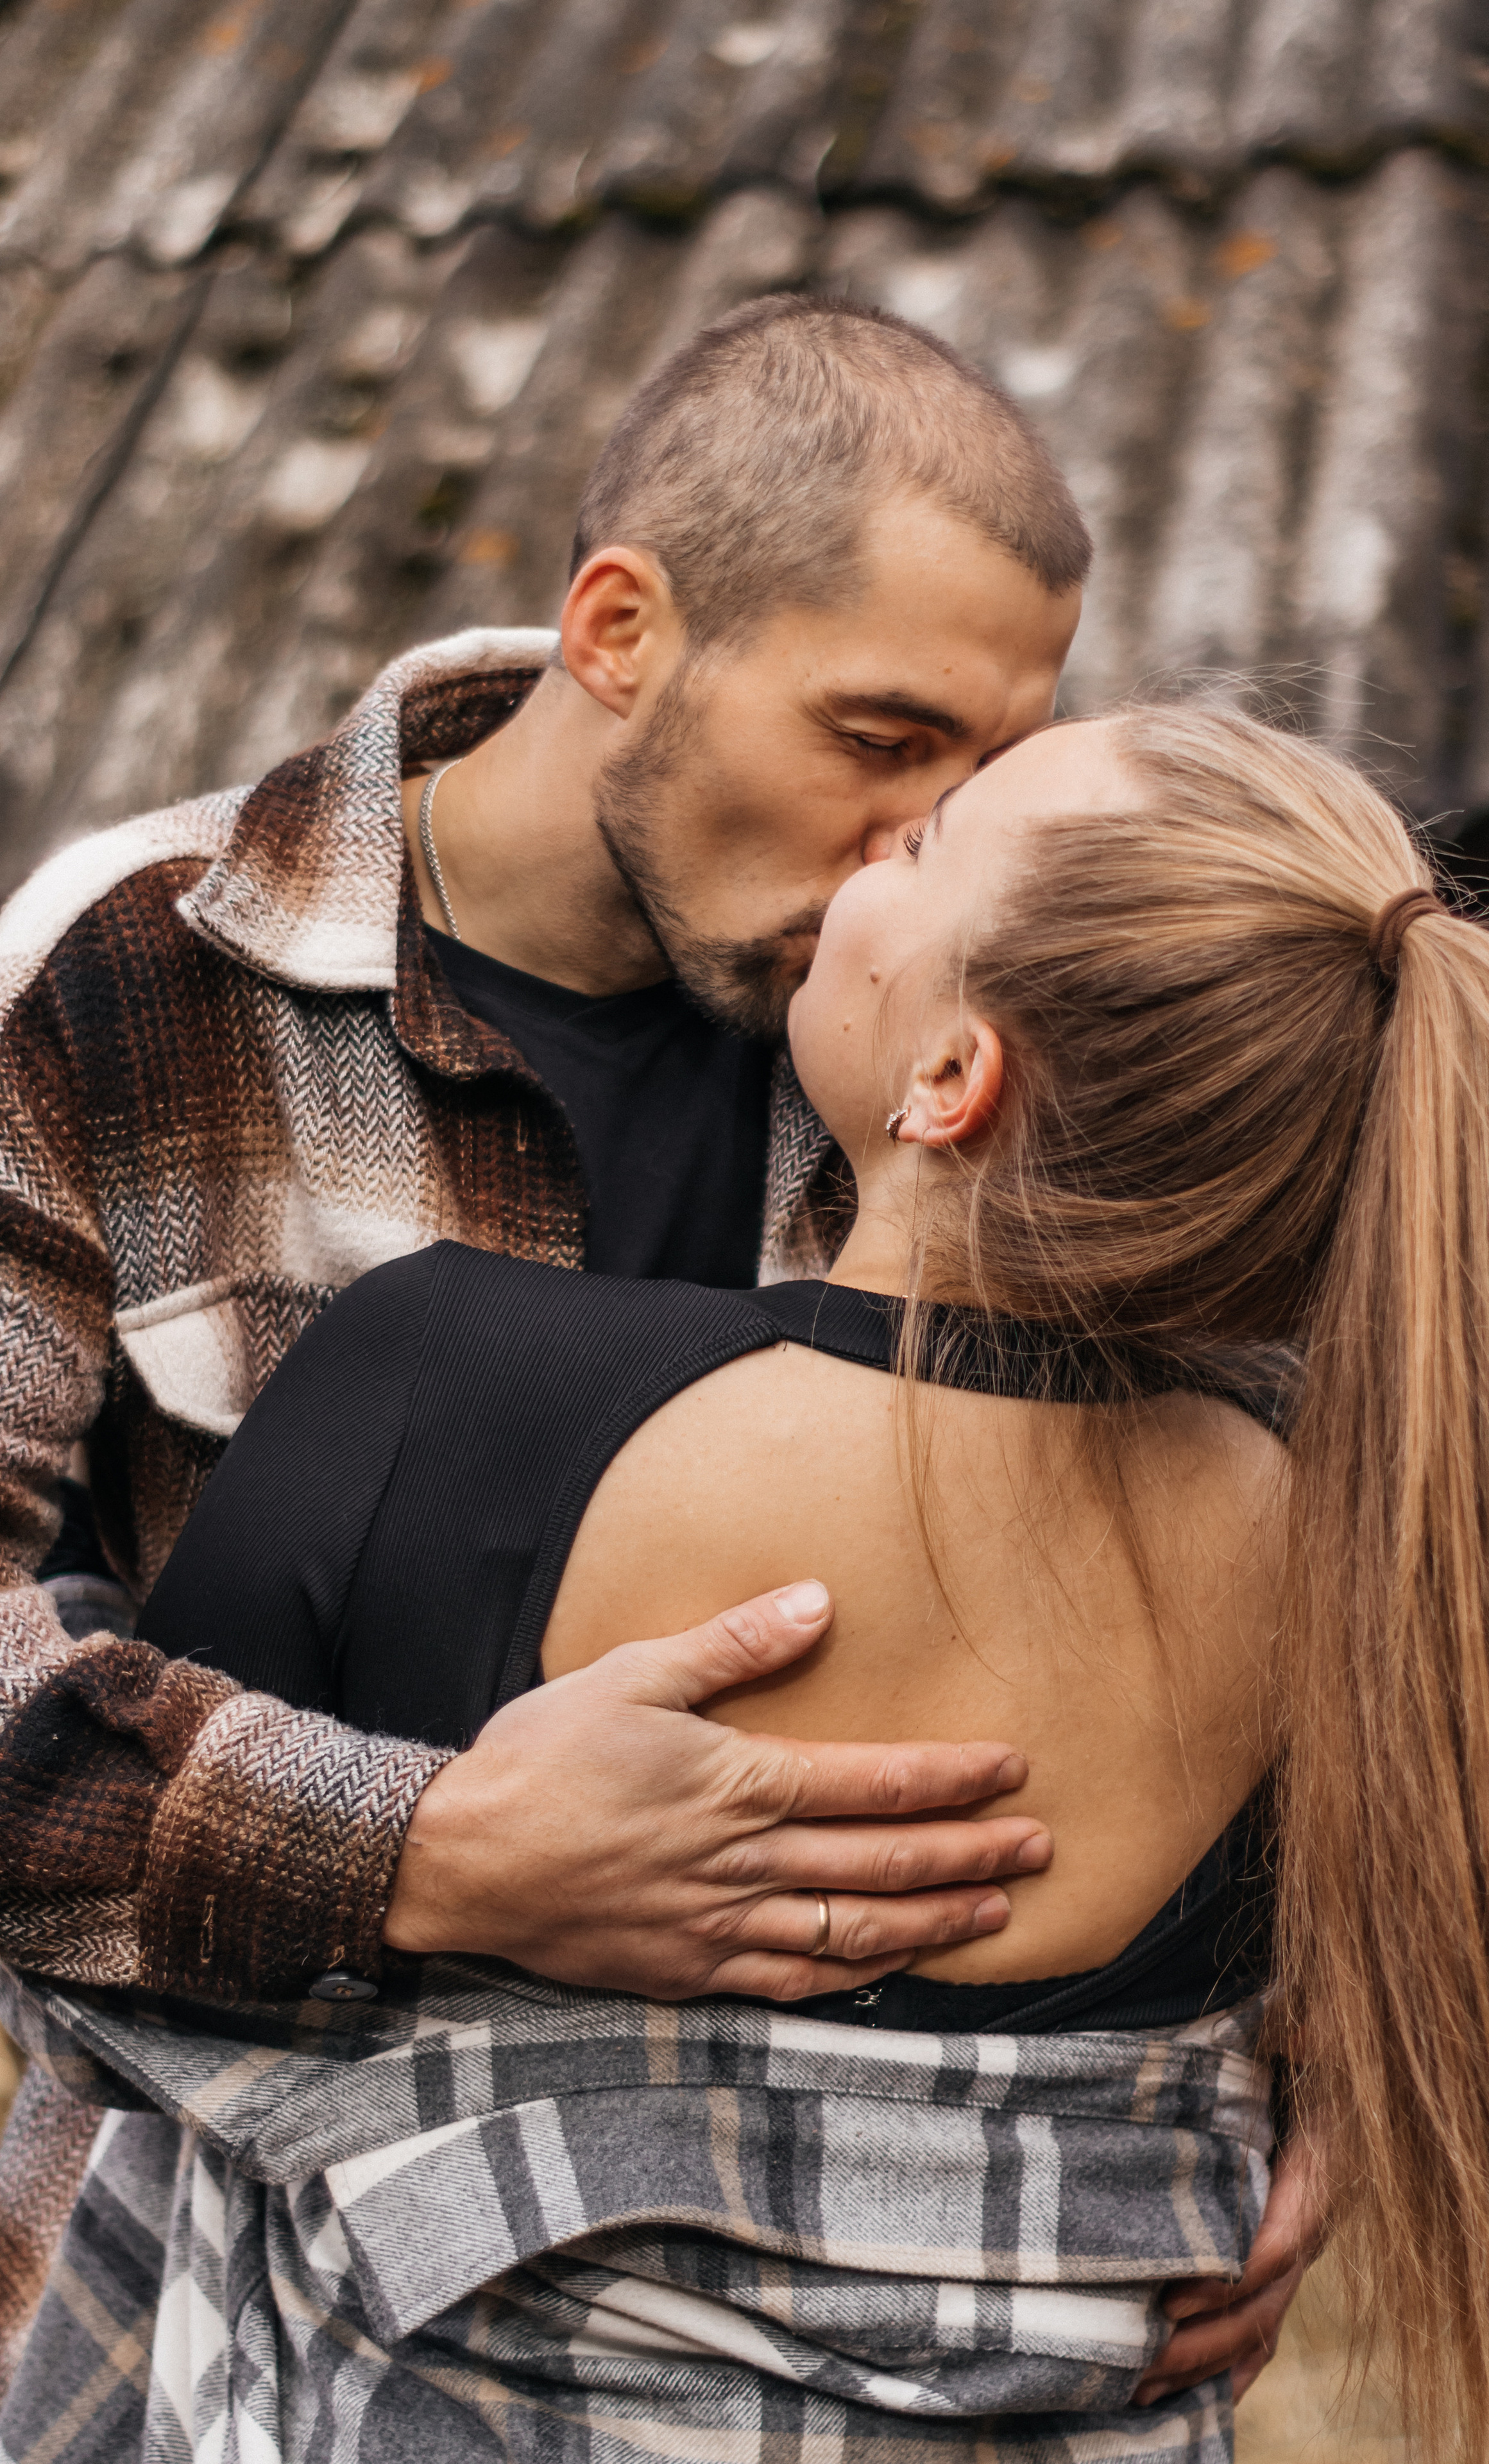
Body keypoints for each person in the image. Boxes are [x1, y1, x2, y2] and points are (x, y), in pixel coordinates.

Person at [13, 698, 1489, 2464]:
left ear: (952, 1077)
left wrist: (407, 1851)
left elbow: (90, 1962)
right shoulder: (1359, 1552)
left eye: (926, 851)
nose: (876, 846)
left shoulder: (444, 1382)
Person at [0, 293, 1305, 2390]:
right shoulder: (124, 980)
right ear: (619, 630)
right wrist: (418, 1851)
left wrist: (1310, 2060)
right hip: (241, 2321)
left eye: (977, 777)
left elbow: (1270, 1604)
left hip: (887, 2338)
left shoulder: (956, 1028)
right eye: (879, 740)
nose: (907, 842)